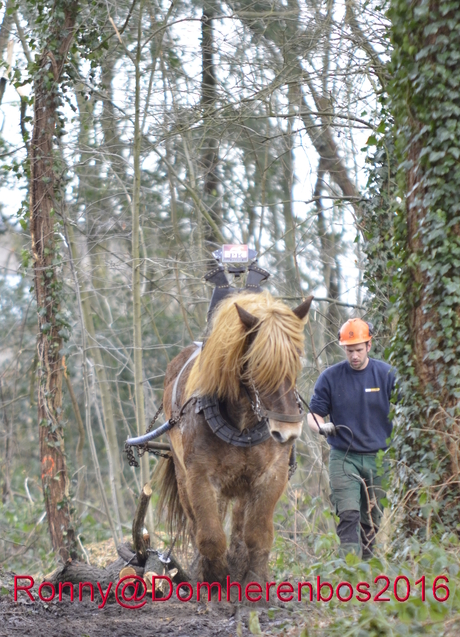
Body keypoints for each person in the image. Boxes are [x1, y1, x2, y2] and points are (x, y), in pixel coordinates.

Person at [307, 318, 396, 559]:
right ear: (342, 348)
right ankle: (348, 574)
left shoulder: (387, 375)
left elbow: (406, 409)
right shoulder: (330, 377)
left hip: (379, 459)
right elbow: (312, 416)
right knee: (348, 516)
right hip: (344, 457)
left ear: (369, 345)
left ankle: (365, 578)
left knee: (371, 523)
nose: (354, 356)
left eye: (358, 349)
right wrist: (322, 426)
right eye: (349, 350)